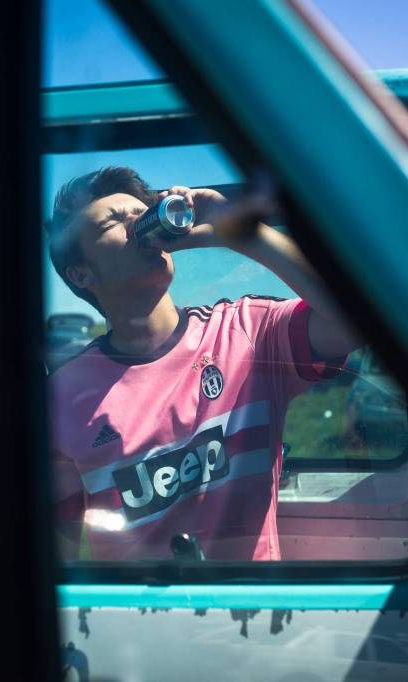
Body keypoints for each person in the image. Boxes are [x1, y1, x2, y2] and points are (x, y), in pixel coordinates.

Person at [45, 166, 360, 561]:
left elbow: (358, 319)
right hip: (136, 619)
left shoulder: (249, 331)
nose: (137, 223)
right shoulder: (60, 396)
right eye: (114, 221)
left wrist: (241, 231)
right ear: (81, 273)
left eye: (139, 214)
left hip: (254, 613)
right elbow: (60, 553)